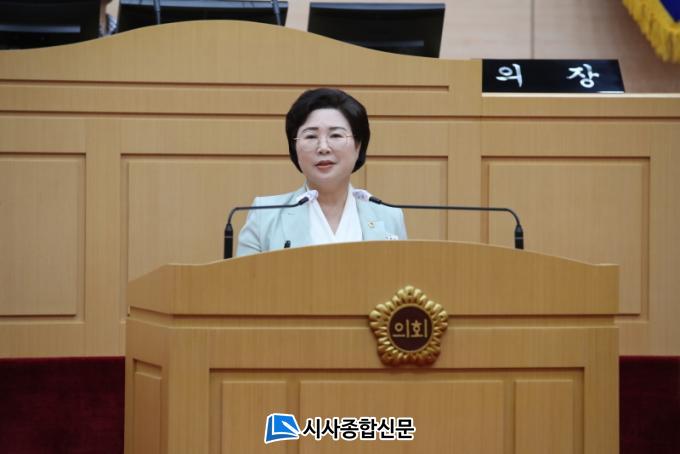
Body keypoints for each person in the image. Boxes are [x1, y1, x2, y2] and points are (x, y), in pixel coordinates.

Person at [236, 88, 407, 256]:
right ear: (294, 148)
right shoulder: (265, 215)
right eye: (311, 136)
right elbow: (246, 275)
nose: (323, 147)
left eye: (336, 135)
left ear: (358, 146)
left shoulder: (389, 217)